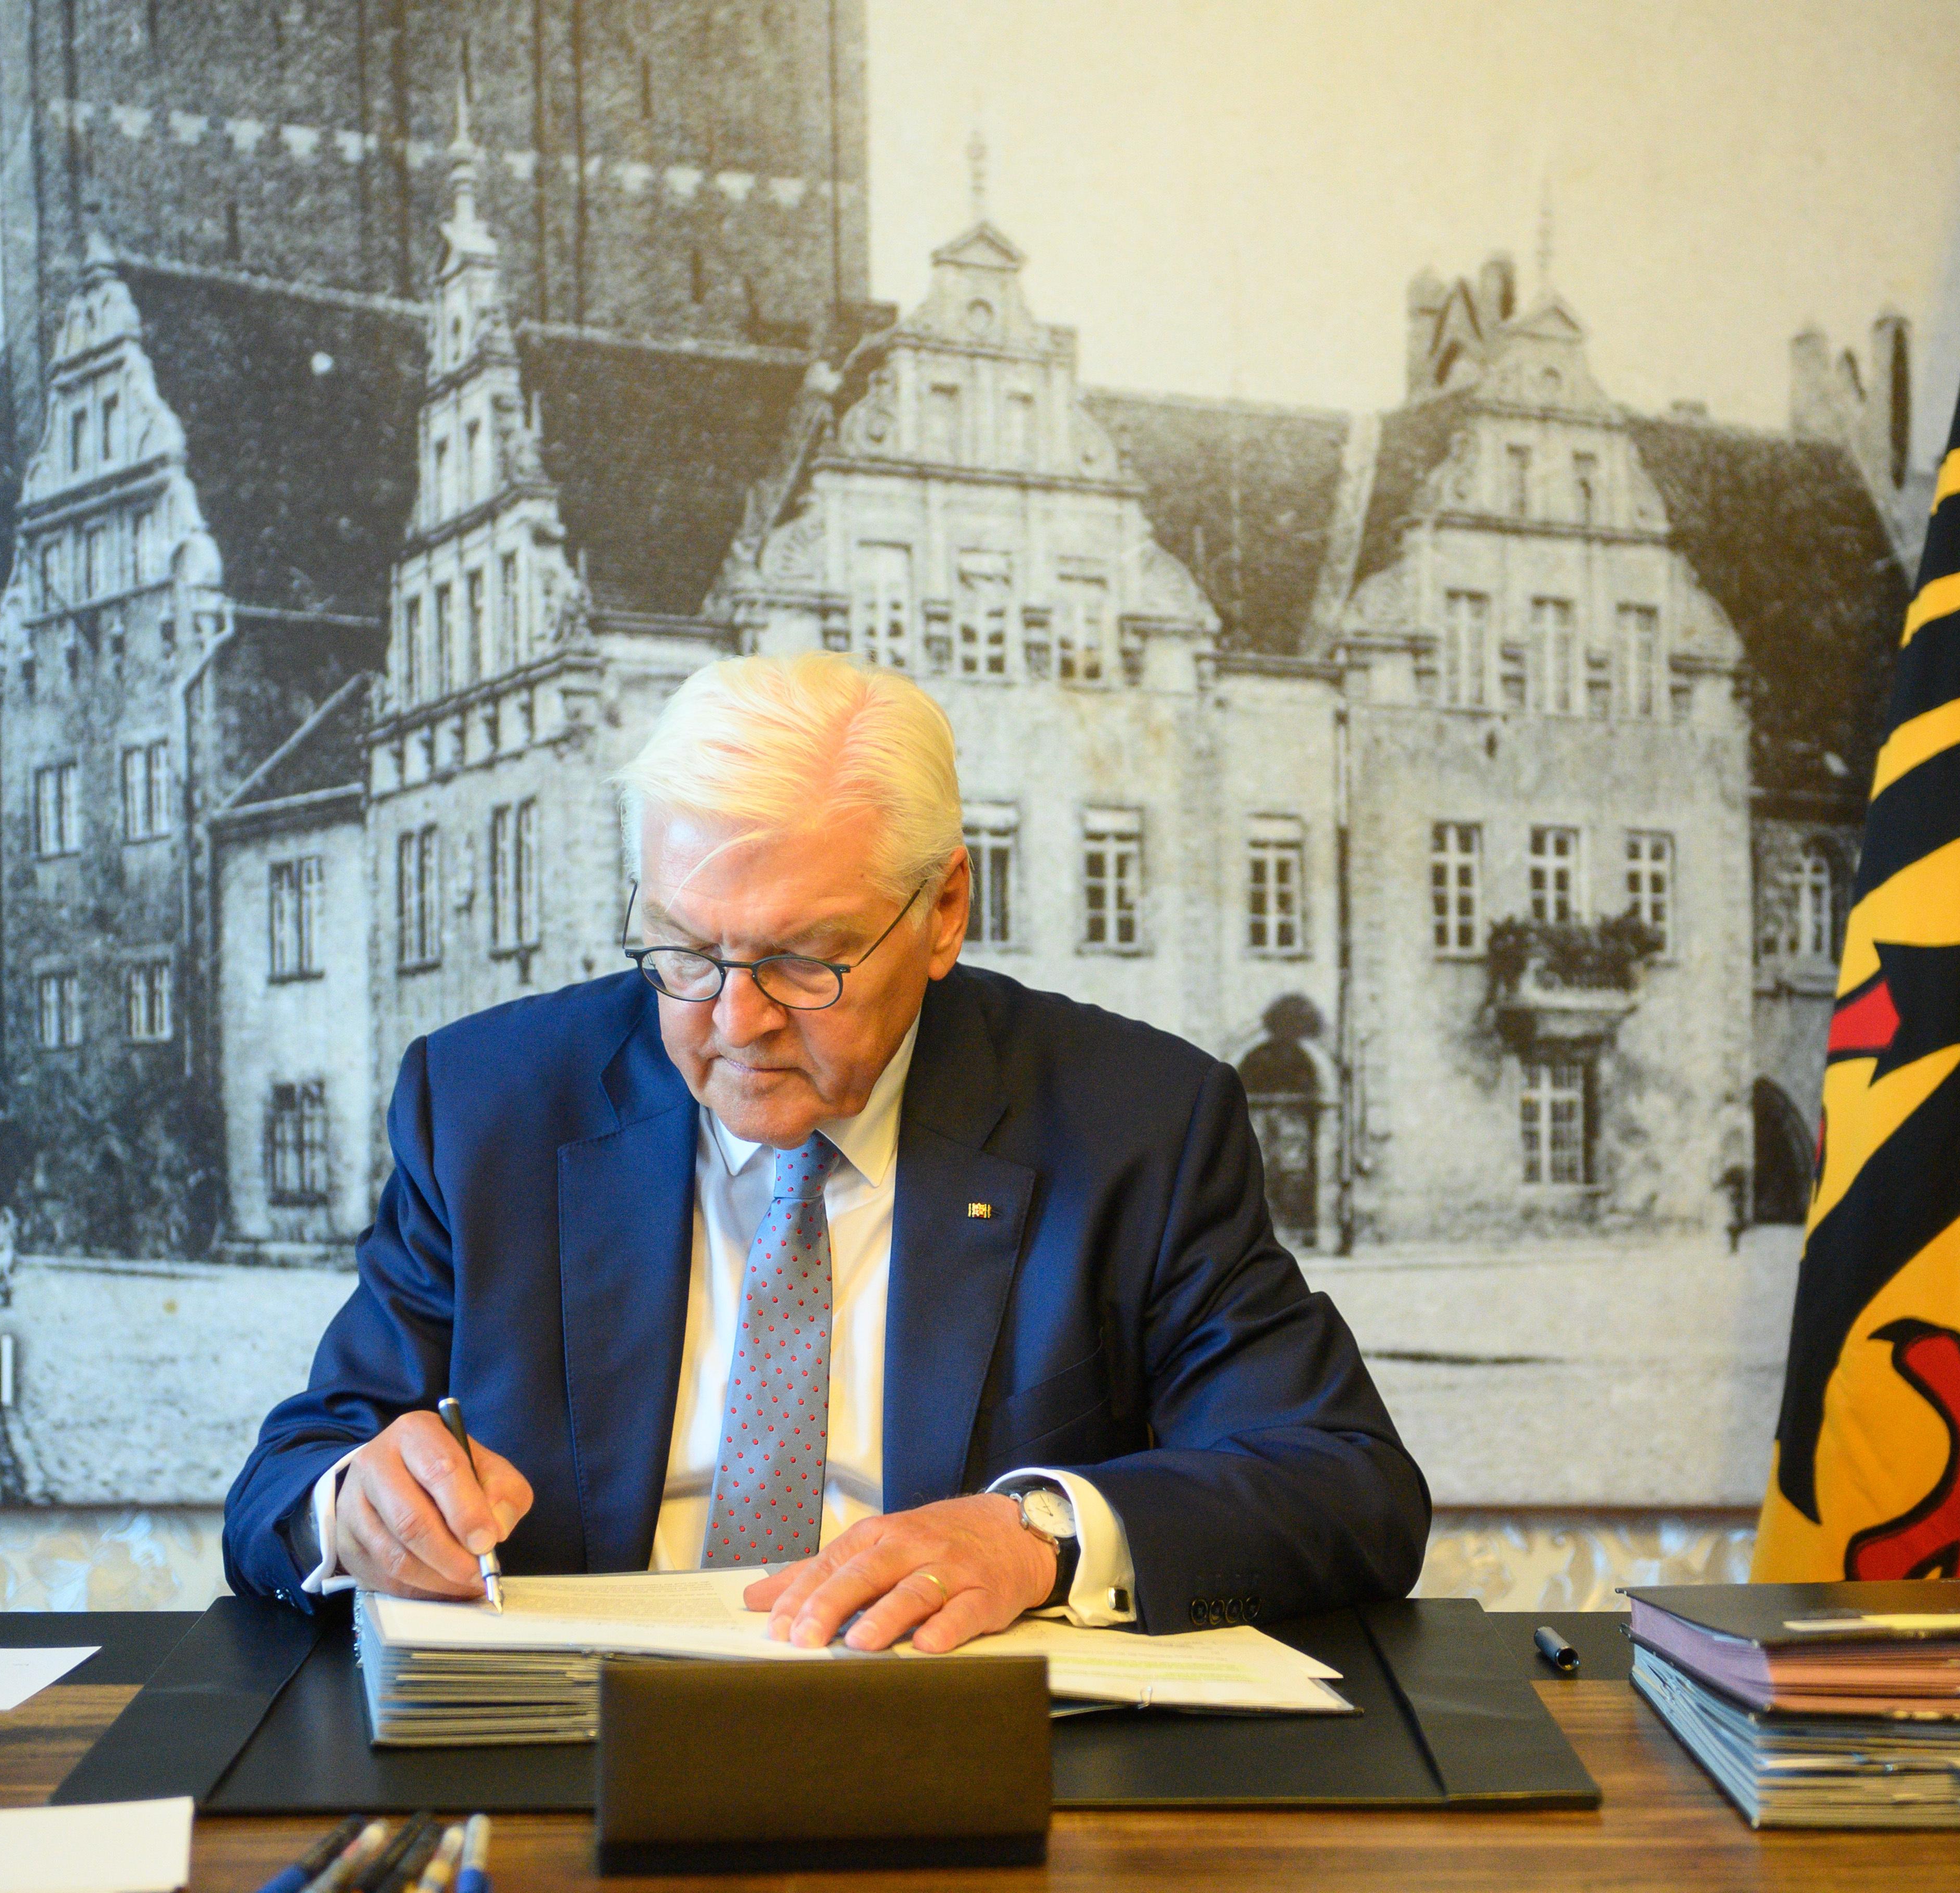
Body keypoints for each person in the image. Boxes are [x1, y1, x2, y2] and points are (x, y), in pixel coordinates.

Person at [224, 653, 1429, 1651]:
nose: (734, 1020)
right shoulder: (490, 1104)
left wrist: (1039, 1538)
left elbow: (1344, 1487)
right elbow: (290, 1473)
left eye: (807, 959)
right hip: (566, 1764)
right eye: (683, 952)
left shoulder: (1135, 1123)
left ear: (945, 910)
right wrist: (354, 1507)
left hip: (967, 1769)